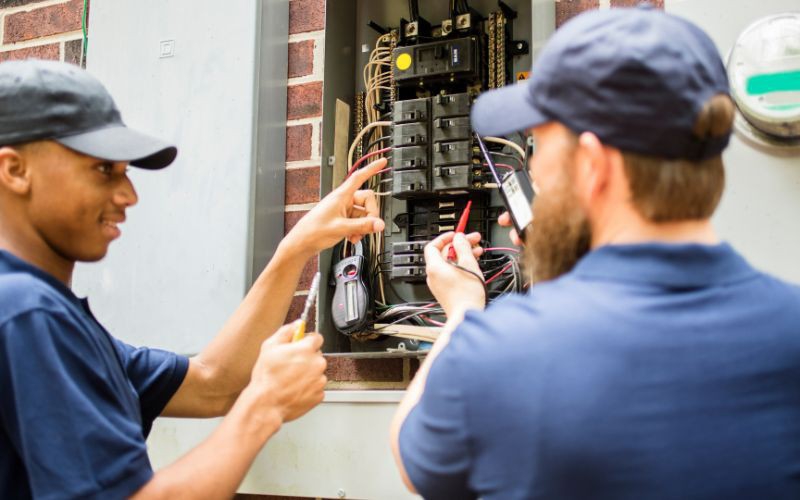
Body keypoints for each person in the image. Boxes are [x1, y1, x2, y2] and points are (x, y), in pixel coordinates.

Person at [391, 7, 800, 500]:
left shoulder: (498, 352)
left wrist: (462, 311)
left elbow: (413, 462)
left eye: (540, 146)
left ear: (593, 164)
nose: (535, 171)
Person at [0, 59, 385, 498]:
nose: (129, 195)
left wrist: (295, 248)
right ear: (15, 170)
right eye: (104, 170)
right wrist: (263, 407)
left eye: (126, 172)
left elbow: (213, 384)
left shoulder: (52, 318)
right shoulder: (24, 311)